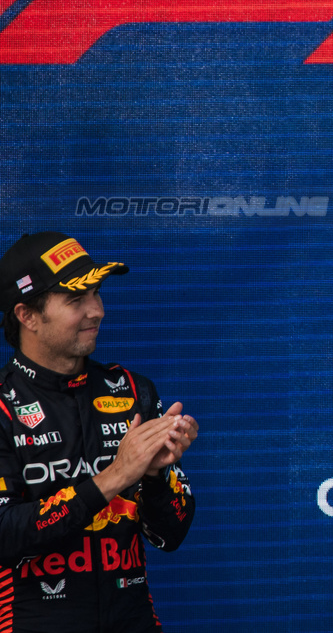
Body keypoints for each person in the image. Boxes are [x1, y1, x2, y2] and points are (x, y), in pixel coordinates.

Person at [0, 232, 197, 632]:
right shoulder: (2, 406)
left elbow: (170, 534)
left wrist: (156, 476)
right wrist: (115, 477)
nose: (97, 311)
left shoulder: (131, 391)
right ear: (27, 316)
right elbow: (5, 536)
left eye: (96, 294)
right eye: (76, 300)